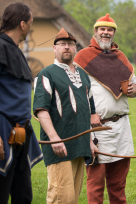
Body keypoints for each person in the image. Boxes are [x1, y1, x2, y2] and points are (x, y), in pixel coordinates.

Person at [74, 13, 136, 204]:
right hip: (97, 129)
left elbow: (135, 87)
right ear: (95, 32)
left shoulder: (121, 58)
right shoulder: (82, 57)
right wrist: (89, 115)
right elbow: (77, 94)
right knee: (95, 186)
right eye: (102, 29)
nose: (106, 32)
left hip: (121, 128)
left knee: (118, 185)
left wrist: (133, 89)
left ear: (113, 33)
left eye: (109, 30)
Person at [33, 28, 98, 204]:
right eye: (62, 44)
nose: (67, 47)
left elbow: (89, 112)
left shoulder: (83, 75)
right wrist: (54, 139)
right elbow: (41, 109)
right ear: (54, 49)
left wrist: (90, 141)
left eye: (70, 44)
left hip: (80, 145)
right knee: (61, 198)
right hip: (59, 146)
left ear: (75, 48)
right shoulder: (46, 74)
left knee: (73, 198)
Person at [0, 3, 43, 204]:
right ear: (22, 24)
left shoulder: (15, 49)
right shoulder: (0, 47)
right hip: (3, 132)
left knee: (23, 195)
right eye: (31, 23)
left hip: (21, 135)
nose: (31, 28)